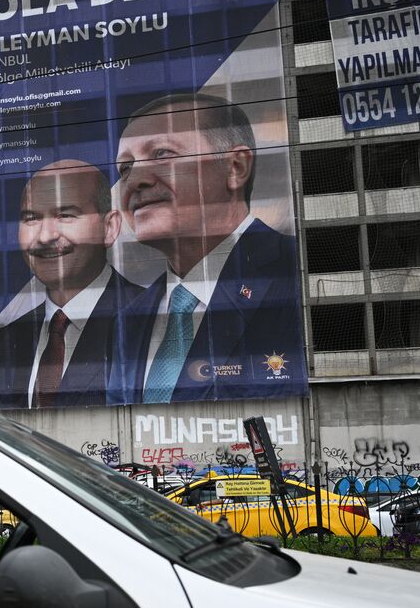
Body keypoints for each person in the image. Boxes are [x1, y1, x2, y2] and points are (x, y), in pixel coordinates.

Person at [114, 92, 306, 403]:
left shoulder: (296, 268)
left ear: (235, 167)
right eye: (124, 168)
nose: (134, 179)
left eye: (162, 154)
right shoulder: (128, 318)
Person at [0, 159, 142, 409]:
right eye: (32, 218)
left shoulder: (149, 317)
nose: (45, 236)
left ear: (109, 227)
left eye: (65, 215)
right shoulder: (6, 341)